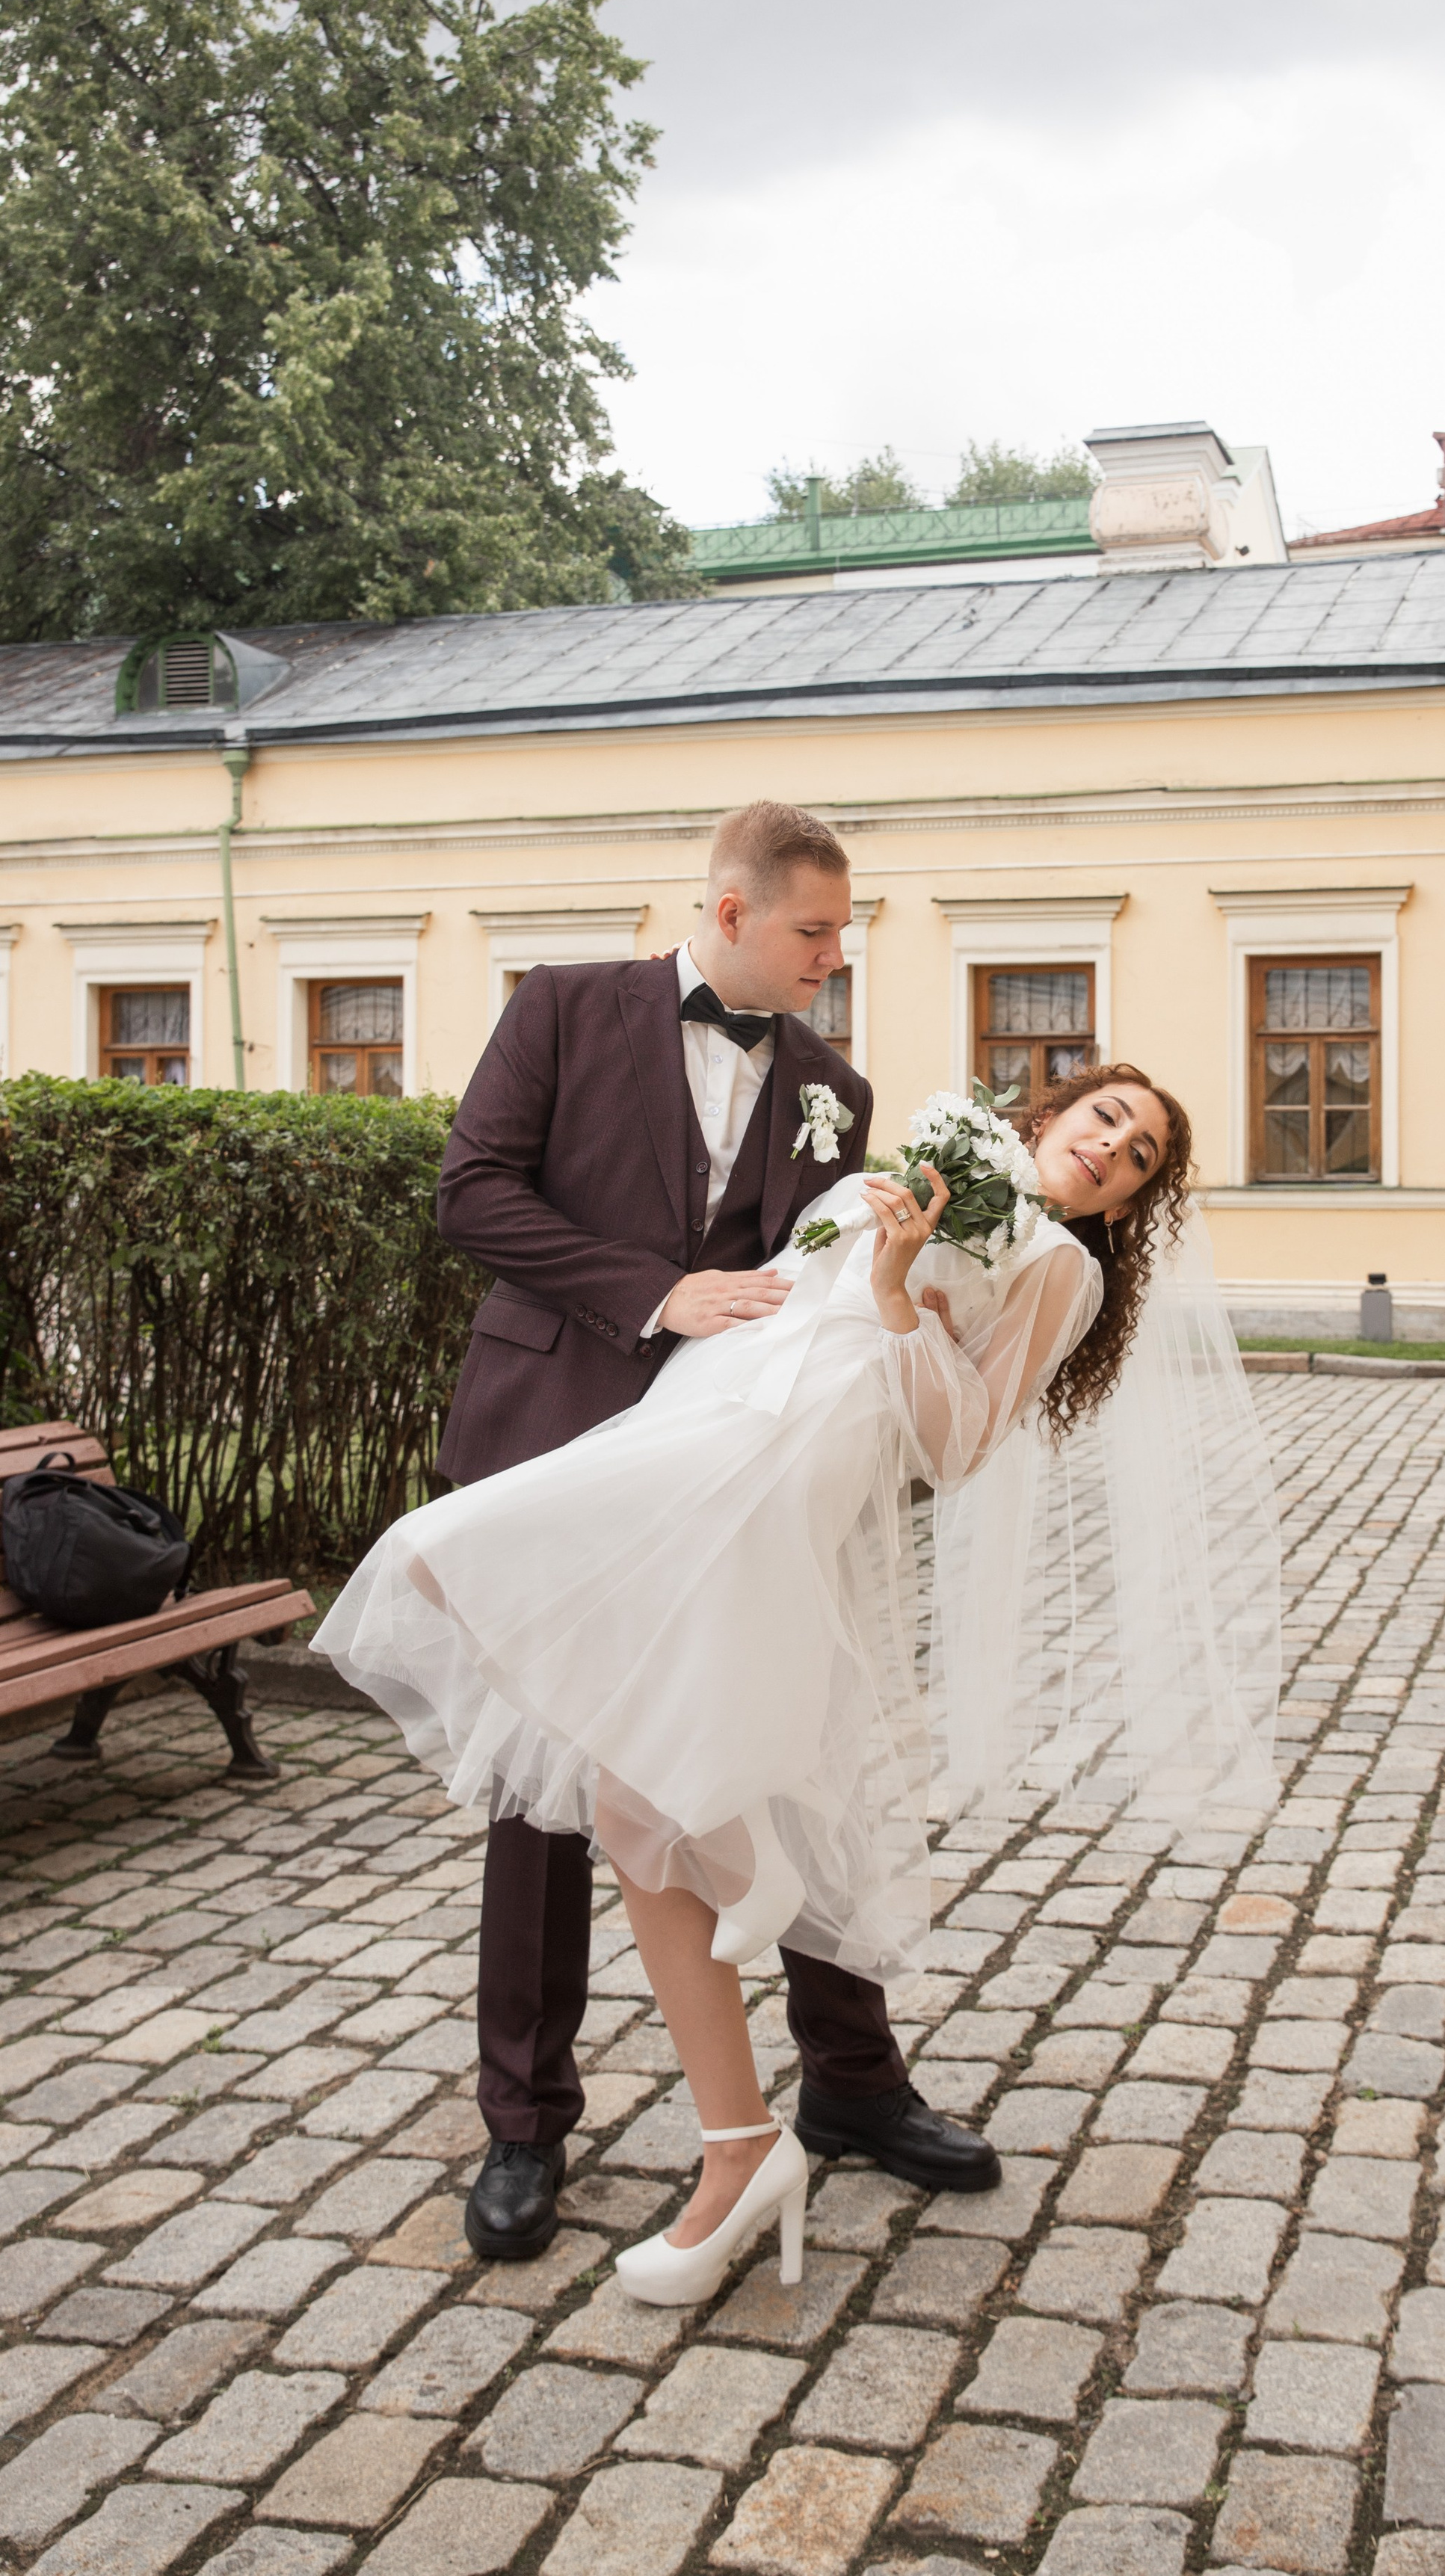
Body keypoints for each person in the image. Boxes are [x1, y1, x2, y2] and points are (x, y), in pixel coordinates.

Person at [318, 1026, 1241, 2300]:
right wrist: (838, 1236)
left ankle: (750, 1904)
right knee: (583, 1737)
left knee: (457, 1556)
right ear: (1052, 1113)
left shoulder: (1055, 1273)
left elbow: (958, 1441)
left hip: (794, 1457)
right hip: (708, 1398)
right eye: (1105, 1119)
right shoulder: (923, 1159)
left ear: (1128, 1202)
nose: (1107, 1152)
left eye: (1134, 1160)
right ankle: (737, 2108)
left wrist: (897, 1286)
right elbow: (766, 1275)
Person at [400, 799, 998, 2263]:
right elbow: (471, 1192)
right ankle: (525, 2123)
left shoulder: (834, 1087)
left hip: (727, 1481)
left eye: (842, 939)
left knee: (779, 1763)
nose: (830, 961)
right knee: (545, 1802)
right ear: (728, 911)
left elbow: (818, 1284)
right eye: (812, 933)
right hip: (554, 1444)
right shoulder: (560, 1009)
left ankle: (851, 2086)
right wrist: (651, 1294)